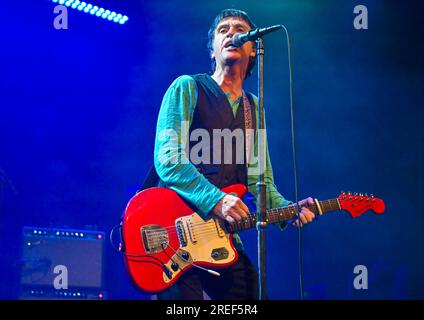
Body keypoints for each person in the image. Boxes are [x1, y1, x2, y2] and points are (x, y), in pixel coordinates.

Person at [153, 9, 315, 300]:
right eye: (222, 30)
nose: (231, 33)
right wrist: (216, 199)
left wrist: (288, 209)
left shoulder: (255, 108)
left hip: (221, 237)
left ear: (253, 50)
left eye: (239, 28)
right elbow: (168, 158)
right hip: (175, 233)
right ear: (213, 50)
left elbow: (259, 178)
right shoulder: (187, 87)